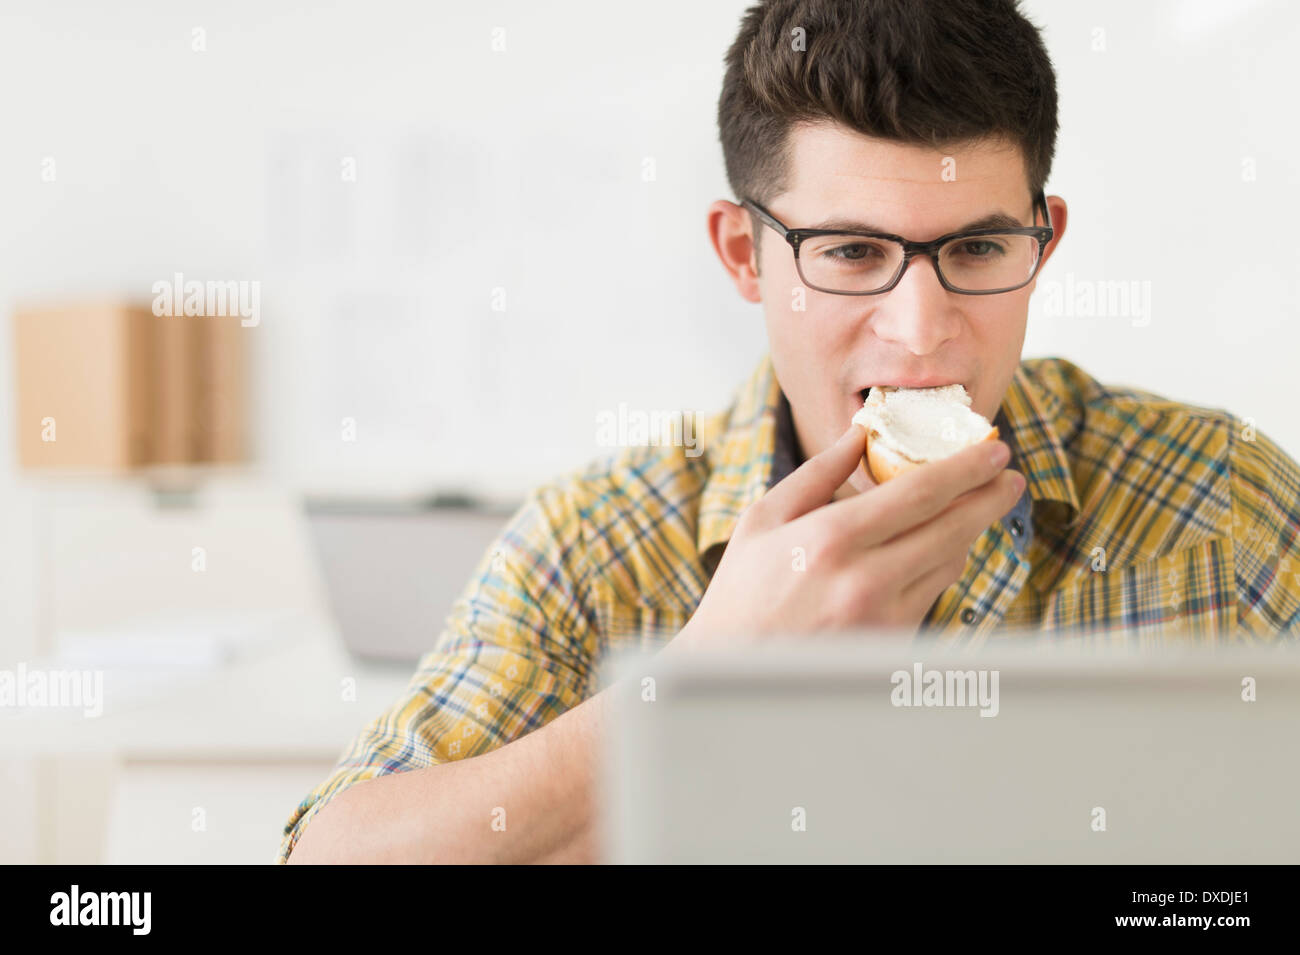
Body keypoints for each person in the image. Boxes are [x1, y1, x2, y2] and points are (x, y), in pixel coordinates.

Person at [279, 0, 1300, 864]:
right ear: (742, 255)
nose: (920, 330)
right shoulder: (594, 548)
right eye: (851, 252)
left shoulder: (1221, 500)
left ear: (1043, 239)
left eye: (980, 246)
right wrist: (715, 677)